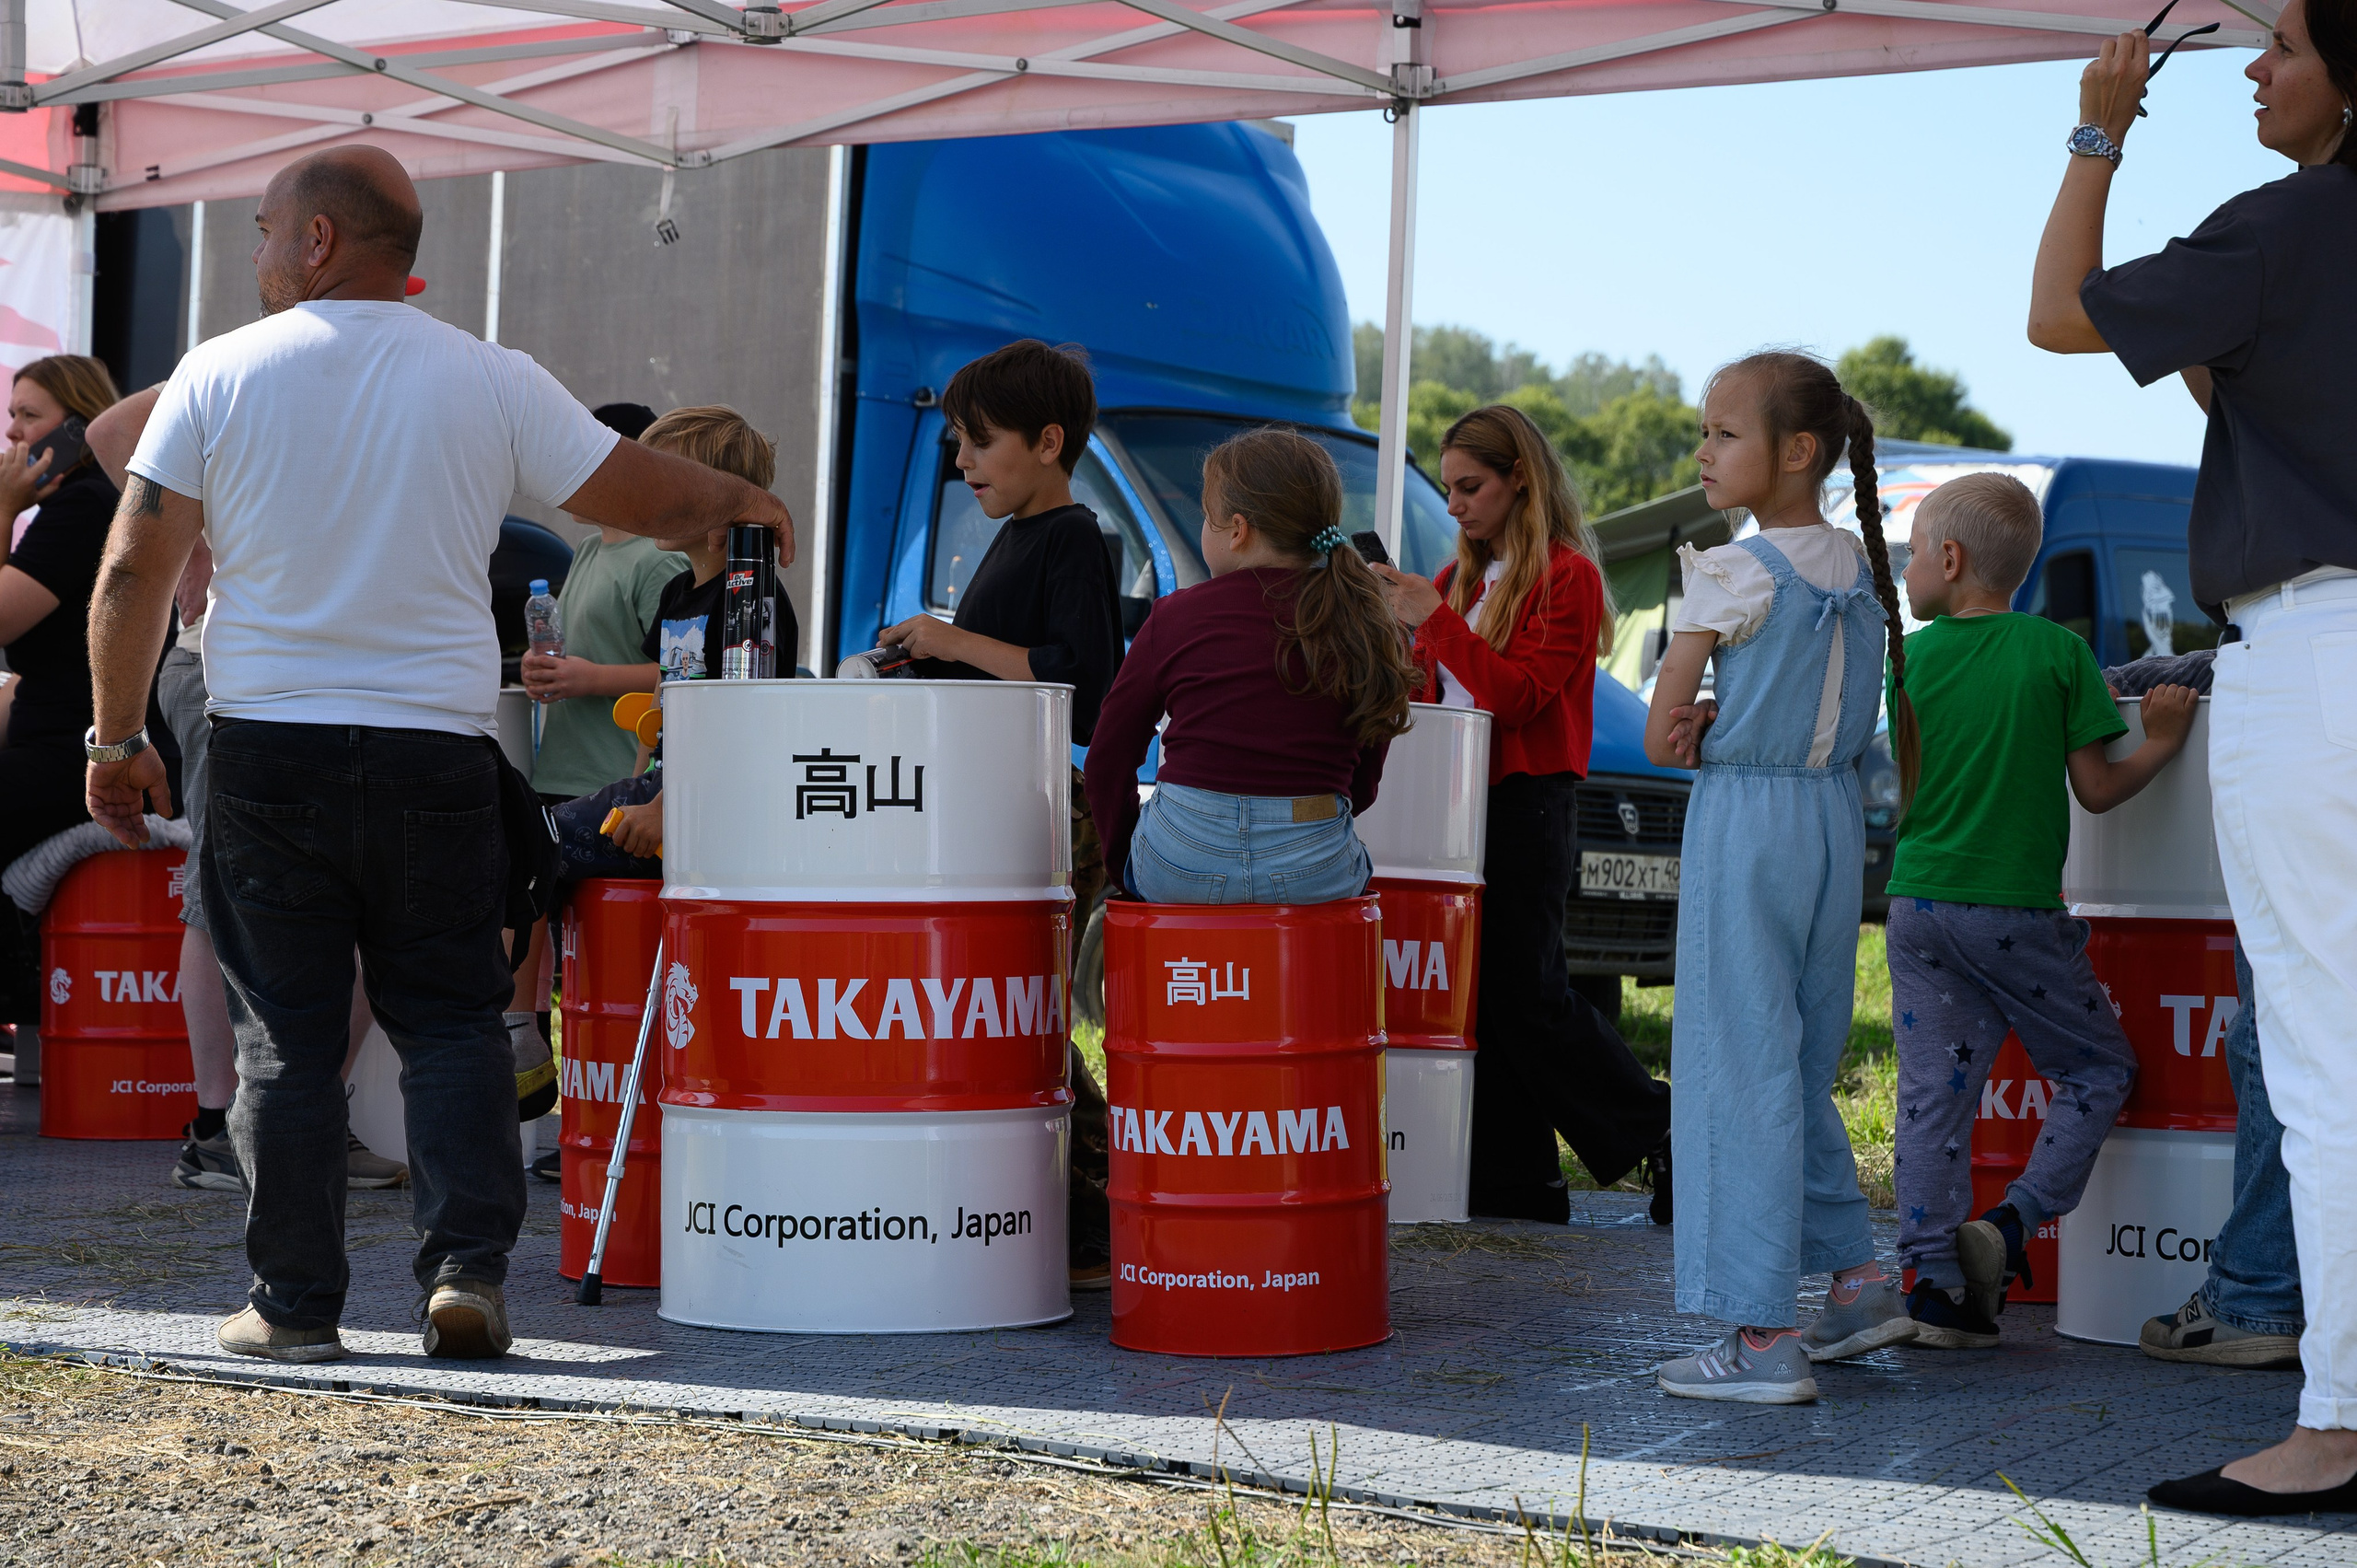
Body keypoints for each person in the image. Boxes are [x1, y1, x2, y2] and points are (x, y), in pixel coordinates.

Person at [87, 145, 794, 1367]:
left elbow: (134, 569)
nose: (255, 253)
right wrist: (750, 513)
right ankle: (466, 1275)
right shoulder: (487, 375)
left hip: (269, 754)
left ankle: (295, 1303)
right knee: (458, 1024)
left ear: (318, 240)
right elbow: (659, 498)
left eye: (262, 230)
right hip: (438, 755)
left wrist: (113, 736)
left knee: (287, 1044)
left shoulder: (219, 372)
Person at [2026, 0, 2357, 1513]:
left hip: (2319, 651)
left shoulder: (2291, 224)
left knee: (2325, 1055)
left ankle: (2336, 1426)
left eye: (2282, 44)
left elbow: (2060, 311)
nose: (2255, 67)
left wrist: (2102, 127)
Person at [1640, 352, 1910, 1403]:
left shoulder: (1729, 568)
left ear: (1794, 451)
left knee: (1732, 1063)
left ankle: (1760, 1338)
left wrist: (1706, 721)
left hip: (1747, 820)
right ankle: (1853, 1280)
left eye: (1721, 433)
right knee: (1798, 1057)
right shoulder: (1855, 562)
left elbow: (1666, 735)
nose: (1702, 451)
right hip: (1833, 821)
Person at [1882, 473, 2194, 1347]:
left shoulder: (1908, 658)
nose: (1907, 571)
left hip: (1916, 908)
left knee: (1932, 1103)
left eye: (1912, 555)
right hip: (2014, 914)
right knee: (2097, 1069)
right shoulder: (2057, 654)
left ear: (1949, 560)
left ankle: (1933, 1287)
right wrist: (2164, 743)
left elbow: (1910, 782)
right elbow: (2097, 791)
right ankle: (2012, 1226)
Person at [87, 389, 405, 1195]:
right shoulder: (247, 364)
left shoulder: (393, 365)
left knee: (354, 894)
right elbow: (113, 430)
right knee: (220, 887)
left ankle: (296, 1119)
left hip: (336, 676)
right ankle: (221, 1128)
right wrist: (187, 545)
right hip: (231, 666)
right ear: (314, 253)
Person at [1368, 405, 1672, 1227]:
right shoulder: (1456, 581)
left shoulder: (1566, 577)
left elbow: (1517, 696)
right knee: (1484, 999)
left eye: (1472, 487)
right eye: (1451, 487)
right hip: (1456, 803)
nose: (1457, 503)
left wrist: (1429, 623)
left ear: (1520, 483)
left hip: (1530, 798)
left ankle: (1657, 1126)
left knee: (1527, 991)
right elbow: (1437, 694)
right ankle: (1518, 1176)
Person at [877, 339, 1124, 1290]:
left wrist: (948, 638)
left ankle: (1093, 1219)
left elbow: (1078, 678)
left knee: (1018, 1021)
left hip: (1047, 807)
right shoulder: (1018, 534)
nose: (963, 462)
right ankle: (1091, 1207)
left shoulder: (1070, 535)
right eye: (956, 443)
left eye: (980, 442)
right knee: (1017, 1020)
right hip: (997, 803)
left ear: (1049, 441)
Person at [1086, 427, 1412, 903]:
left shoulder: (1175, 615)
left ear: (1237, 530)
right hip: (1314, 865)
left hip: (1180, 861)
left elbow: (1108, 757)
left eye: (1206, 518)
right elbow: (1362, 785)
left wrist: (1128, 866)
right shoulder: (1363, 619)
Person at [0, 357, 179, 1032]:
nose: (13, 434)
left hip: (77, 750)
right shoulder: (87, 504)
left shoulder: (82, 506)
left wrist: (3, 506)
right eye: (12, 413)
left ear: (76, 430)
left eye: (29, 416)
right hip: (63, 738)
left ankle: (17, 992)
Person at [548, 405, 794, 883]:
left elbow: (739, 721)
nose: (650, 503)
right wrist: (637, 789)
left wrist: (666, 808)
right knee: (526, 842)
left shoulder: (749, 595)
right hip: (664, 788)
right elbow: (658, 709)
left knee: (530, 844)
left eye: (669, 489)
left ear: (718, 497)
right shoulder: (676, 591)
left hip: (709, 795)